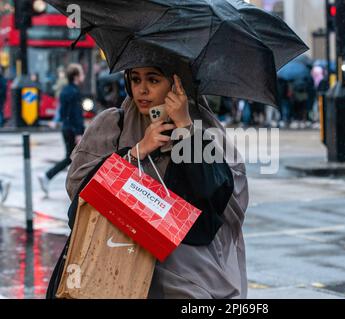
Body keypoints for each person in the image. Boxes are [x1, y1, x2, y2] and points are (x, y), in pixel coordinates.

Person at [47, 65, 249, 299]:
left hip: (186, 281)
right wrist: (136, 152)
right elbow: (82, 200)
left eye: (153, 80)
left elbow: (218, 208)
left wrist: (185, 128)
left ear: (177, 86)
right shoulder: (112, 125)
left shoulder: (207, 133)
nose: (141, 89)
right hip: (113, 272)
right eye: (135, 79)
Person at [38, 64, 85, 196]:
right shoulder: (75, 92)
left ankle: (51, 177)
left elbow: (63, 111)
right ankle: (48, 176)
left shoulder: (65, 90)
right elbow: (76, 114)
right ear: (76, 76)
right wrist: (78, 132)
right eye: (81, 73)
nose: (83, 76)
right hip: (73, 130)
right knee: (72, 157)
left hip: (66, 127)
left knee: (73, 157)